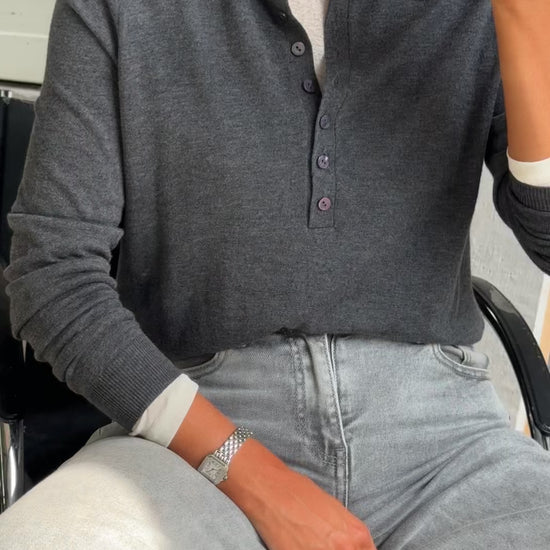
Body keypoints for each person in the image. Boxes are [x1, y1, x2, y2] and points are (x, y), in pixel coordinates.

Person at [1, 0, 550, 548]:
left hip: (445, 444)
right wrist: (254, 479)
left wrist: (524, 17)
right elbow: (53, 276)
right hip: (192, 433)